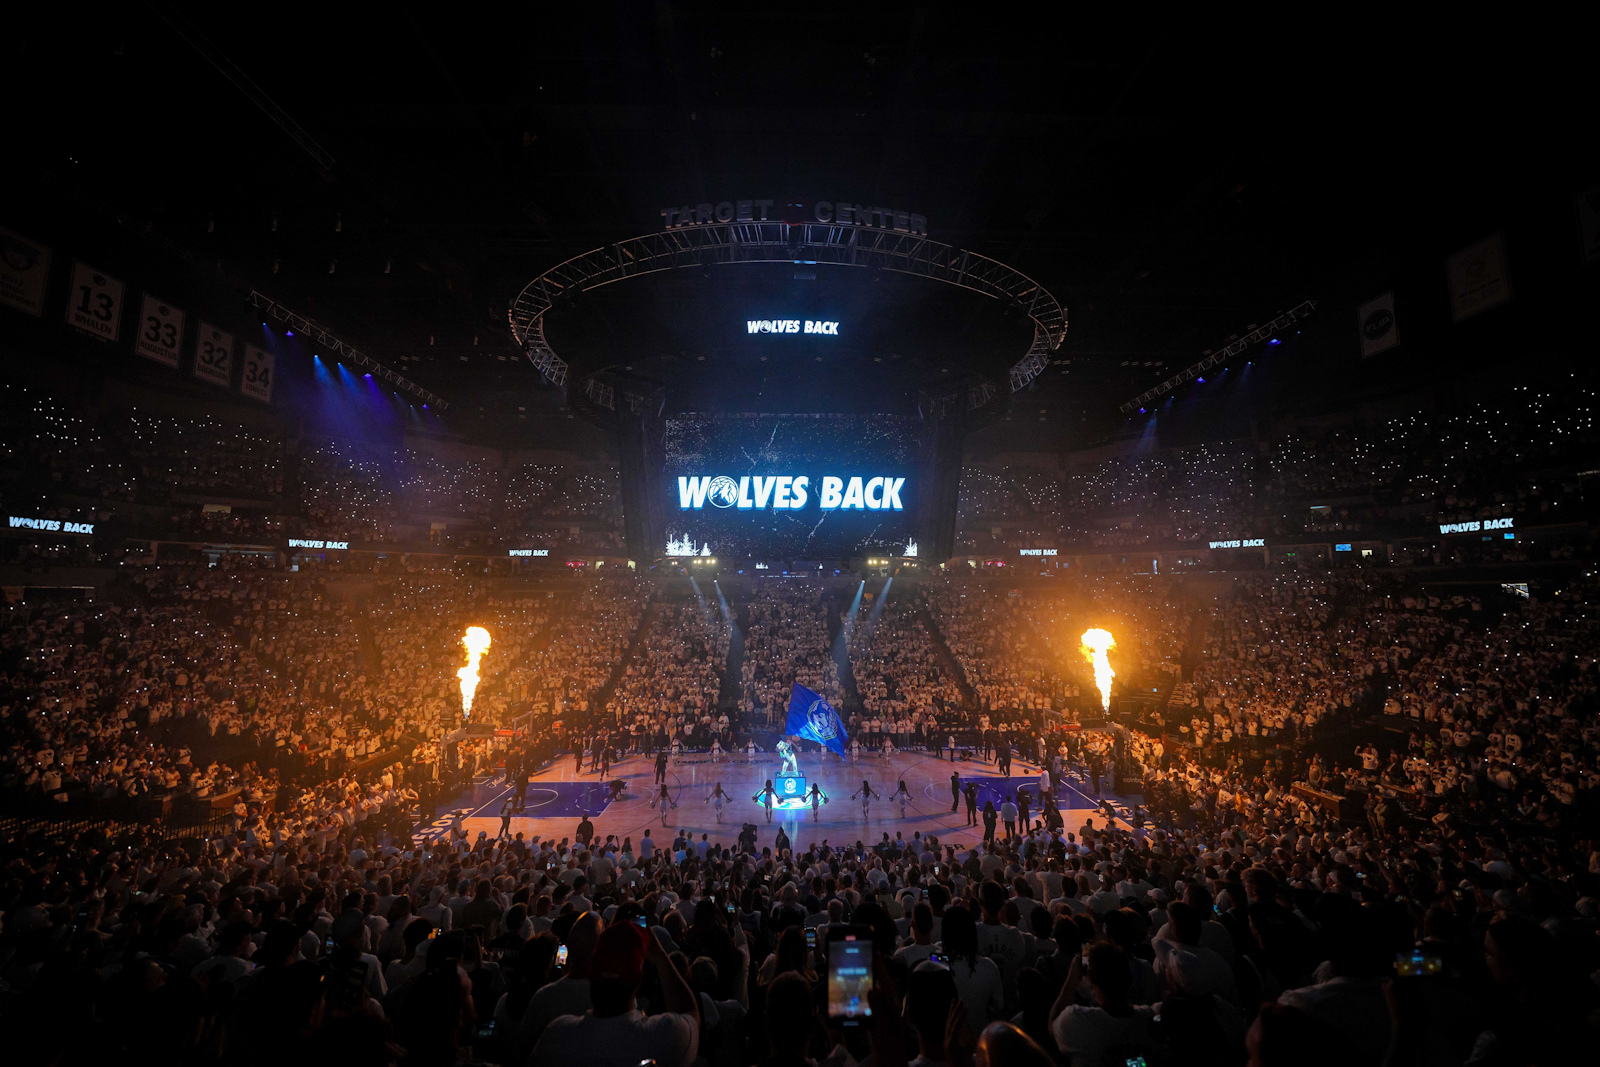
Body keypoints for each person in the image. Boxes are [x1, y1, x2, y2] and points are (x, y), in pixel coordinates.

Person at [529, 920, 700, 1067]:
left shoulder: (556, 1036)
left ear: (591, 975)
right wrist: (660, 956)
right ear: (637, 982)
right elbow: (690, 1013)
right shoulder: (663, 1036)